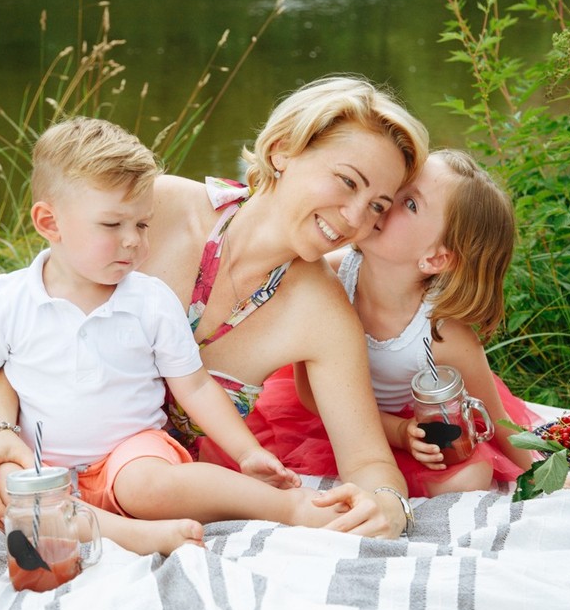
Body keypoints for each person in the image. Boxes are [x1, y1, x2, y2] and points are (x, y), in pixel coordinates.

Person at [0, 74, 431, 539]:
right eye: (348, 182)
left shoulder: (324, 315)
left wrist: (390, 507)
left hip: (145, 480)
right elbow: (28, 322)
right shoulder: (155, 210)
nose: (355, 217)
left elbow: (368, 459)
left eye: (377, 206)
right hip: (2, 397)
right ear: (282, 150)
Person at [0, 117, 345, 553]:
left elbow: (194, 385)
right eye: (113, 225)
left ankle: (288, 506)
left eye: (141, 224)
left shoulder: (150, 299)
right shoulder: (10, 300)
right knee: (8, 490)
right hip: (41, 462)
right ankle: (132, 537)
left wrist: (247, 452)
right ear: (50, 223)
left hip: (131, 453)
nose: (133, 241)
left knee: (150, 485)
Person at [206, 150, 538, 497]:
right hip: (330, 414)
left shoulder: (443, 334)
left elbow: (499, 420)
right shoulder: (329, 275)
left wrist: (543, 476)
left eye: (410, 204)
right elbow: (308, 396)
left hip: (406, 421)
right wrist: (395, 431)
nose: (388, 200)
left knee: (472, 476)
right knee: (234, 452)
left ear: (435, 257)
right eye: (397, 188)